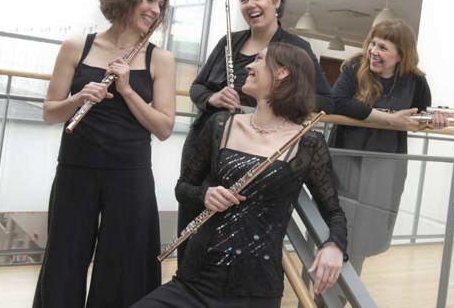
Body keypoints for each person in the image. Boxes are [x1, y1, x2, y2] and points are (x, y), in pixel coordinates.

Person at [133, 42, 346, 308]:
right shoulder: (220, 124)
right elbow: (183, 188)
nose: (249, 65)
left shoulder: (308, 143)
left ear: (282, 73)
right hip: (196, 279)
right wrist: (205, 194)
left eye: (258, 59)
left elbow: (334, 212)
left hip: (255, 289)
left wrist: (334, 246)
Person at [33, 0, 176, 308]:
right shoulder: (76, 47)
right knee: (64, 260)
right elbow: (50, 112)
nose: (156, 11)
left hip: (130, 173)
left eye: (161, 5)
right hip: (76, 169)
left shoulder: (161, 58)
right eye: (149, 0)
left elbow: (164, 127)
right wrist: (78, 98)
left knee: (124, 265)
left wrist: (126, 90)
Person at [178, 0, 334, 261]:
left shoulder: (295, 48)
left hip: (258, 152)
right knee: (194, 222)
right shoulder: (229, 41)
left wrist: (269, 101)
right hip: (209, 144)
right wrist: (213, 97)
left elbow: (326, 99)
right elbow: (197, 87)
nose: (250, 4)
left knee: (237, 229)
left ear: (276, 1)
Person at [328, 19, 447, 275]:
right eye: (373, 43)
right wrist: (388, 119)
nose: (373, 51)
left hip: (383, 165)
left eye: (382, 47)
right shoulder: (354, 67)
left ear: (400, 55)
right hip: (345, 160)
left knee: (362, 236)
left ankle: (339, 296)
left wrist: (435, 120)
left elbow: (421, 114)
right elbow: (336, 102)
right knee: (334, 229)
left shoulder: (415, 81)